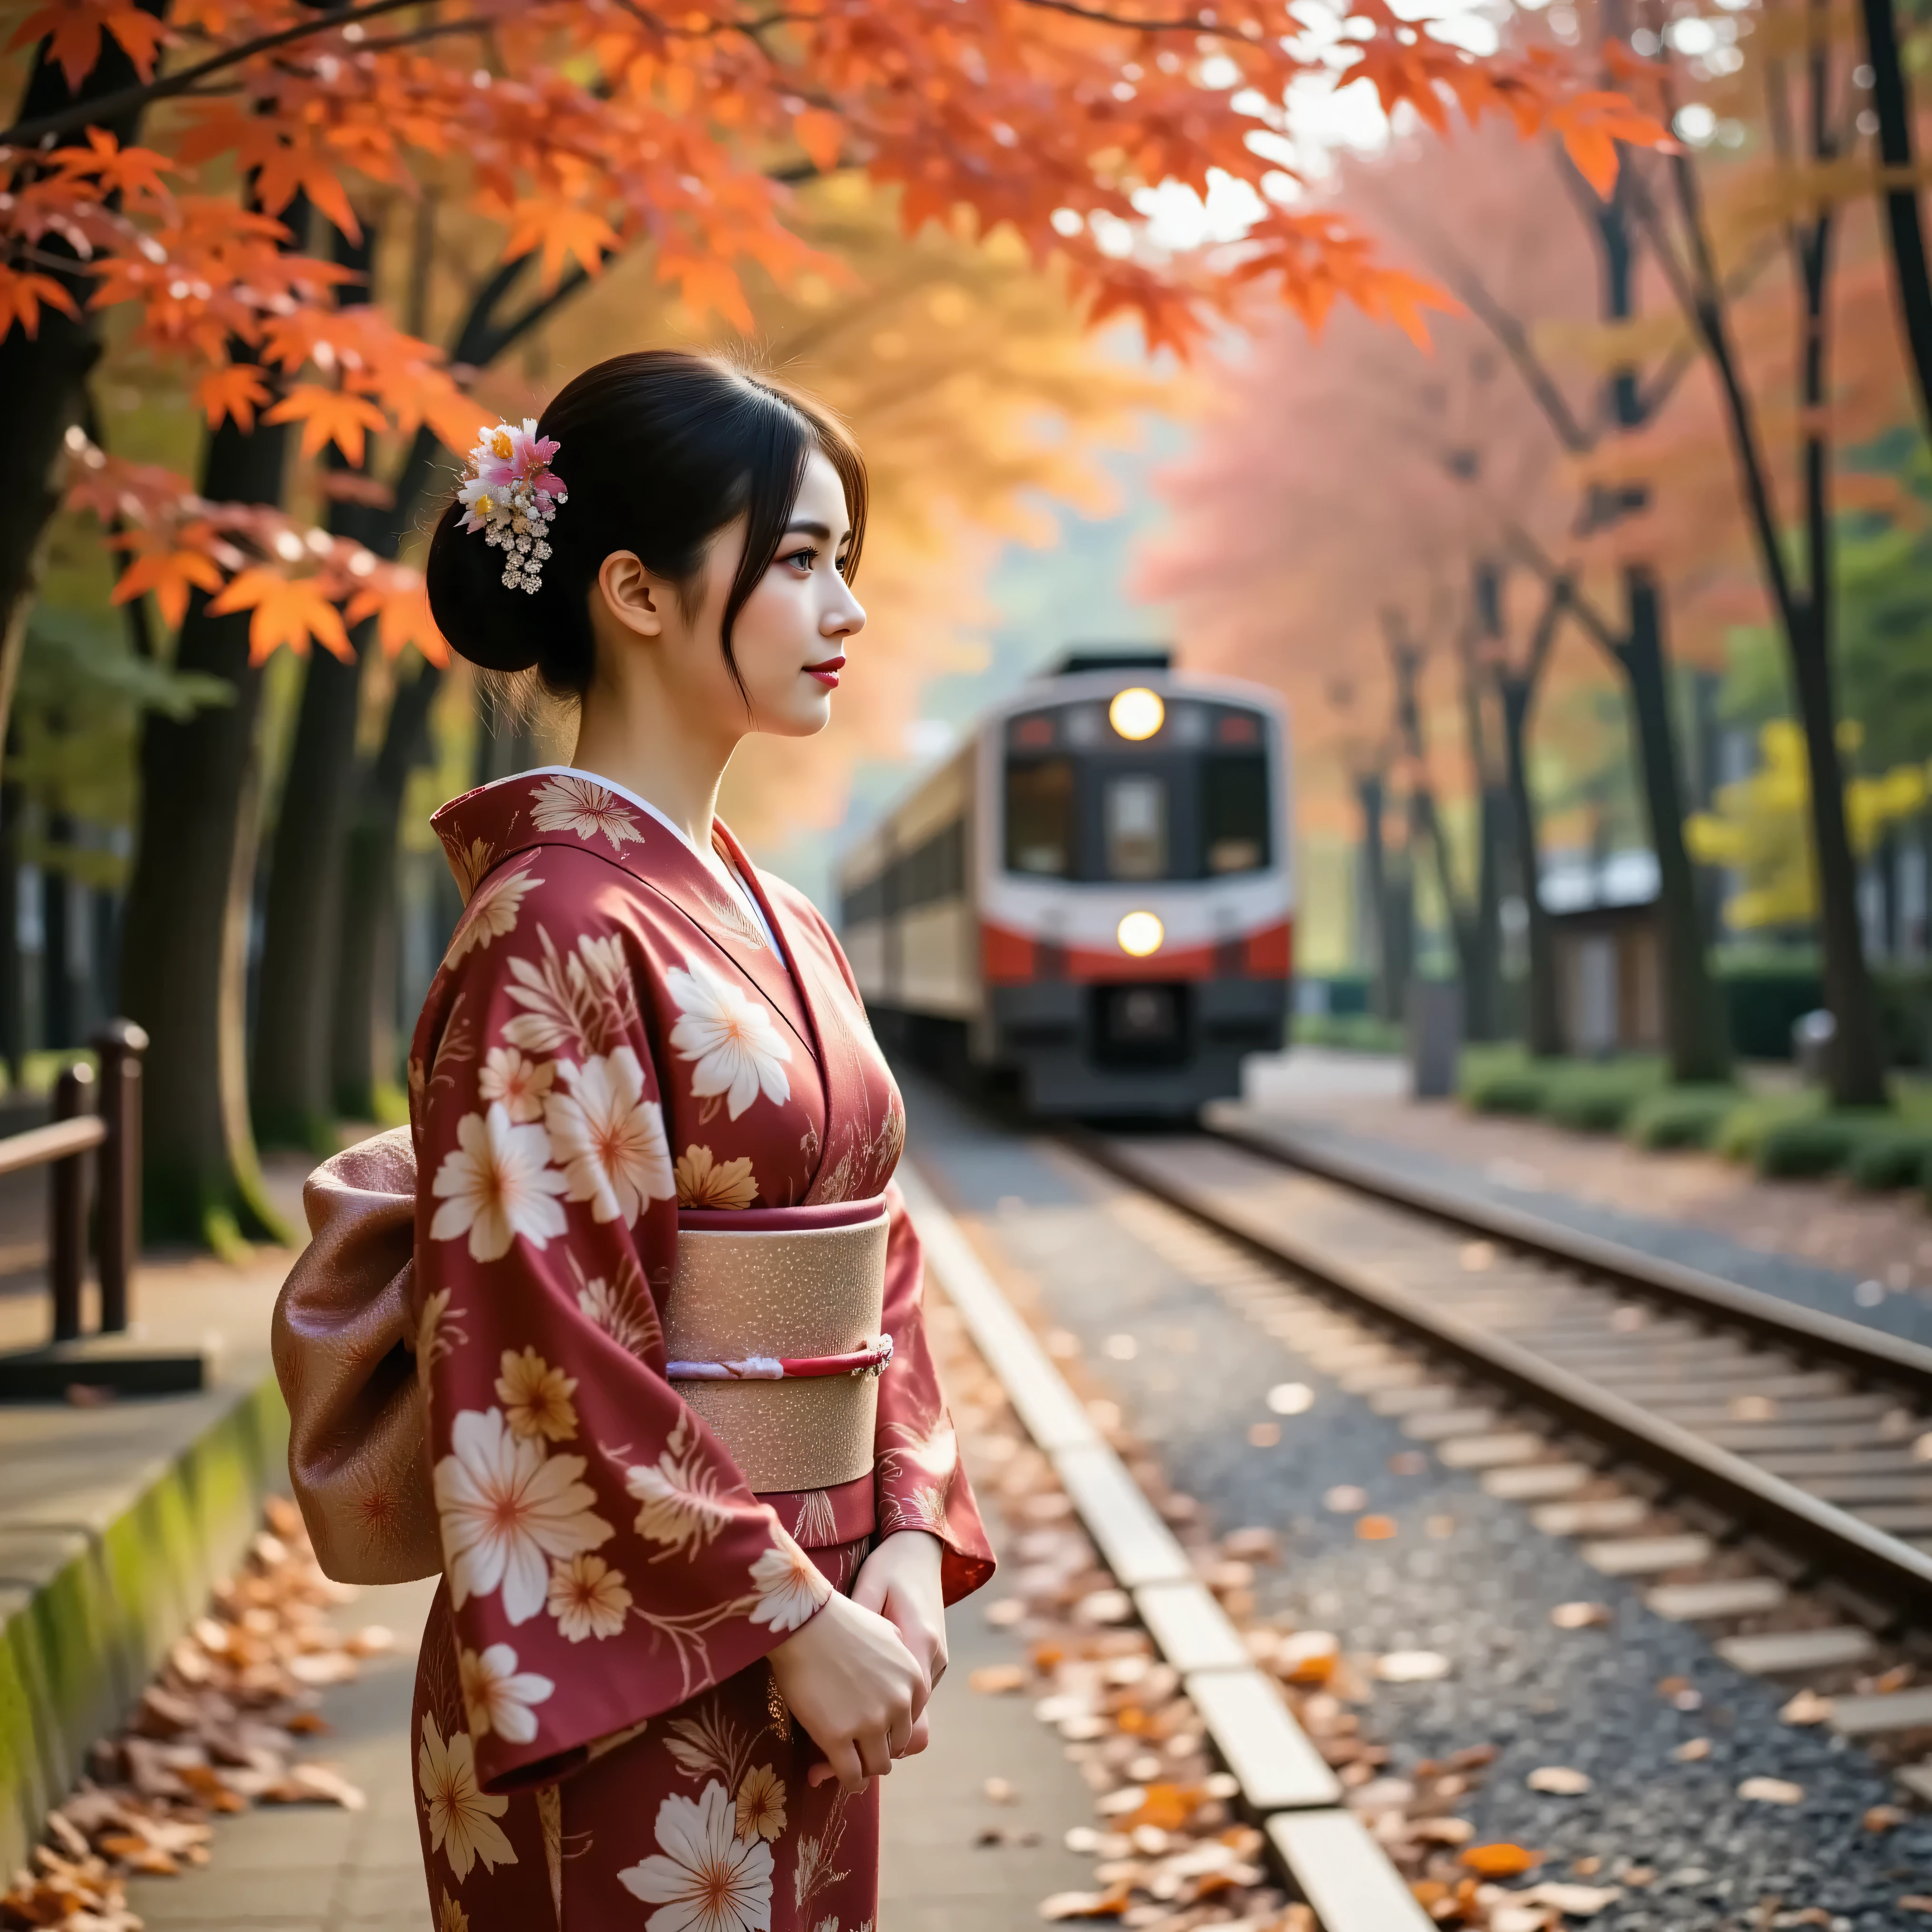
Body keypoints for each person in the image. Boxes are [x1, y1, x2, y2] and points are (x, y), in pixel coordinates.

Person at [393, 351, 992, 1930]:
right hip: (643, 1658)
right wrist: (788, 1610)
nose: (846, 610)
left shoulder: (780, 914)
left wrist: (906, 1544)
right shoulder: (549, 930)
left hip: (829, 1635)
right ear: (638, 593)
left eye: (841, 563)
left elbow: (881, 1267)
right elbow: (537, 1338)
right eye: (800, 561)